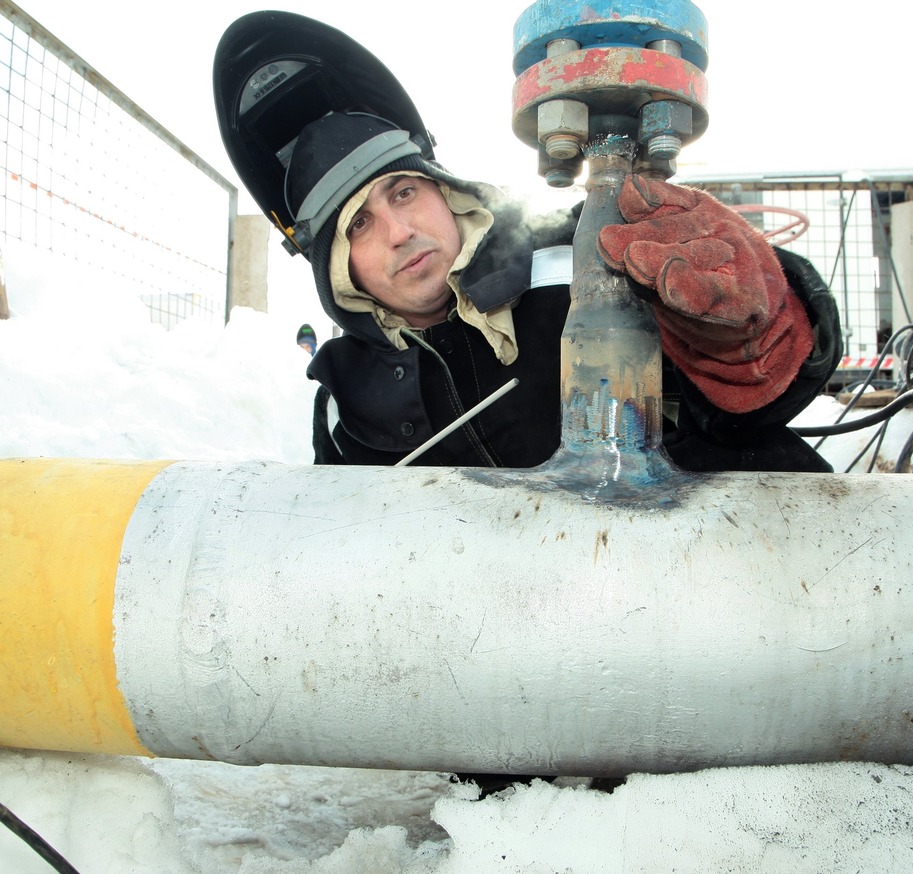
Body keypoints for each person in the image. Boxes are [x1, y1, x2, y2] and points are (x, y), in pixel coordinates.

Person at [215, 11, 841, 795]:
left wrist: (763, 331)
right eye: (360, 226)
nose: (401, 231)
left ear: (442, 191)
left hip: (728, 642)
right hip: (519, 718)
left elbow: (752, 415)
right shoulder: (350, 401)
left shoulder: (588, 253)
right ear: (337, 270)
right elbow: (365, 595)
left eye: (404, 192)